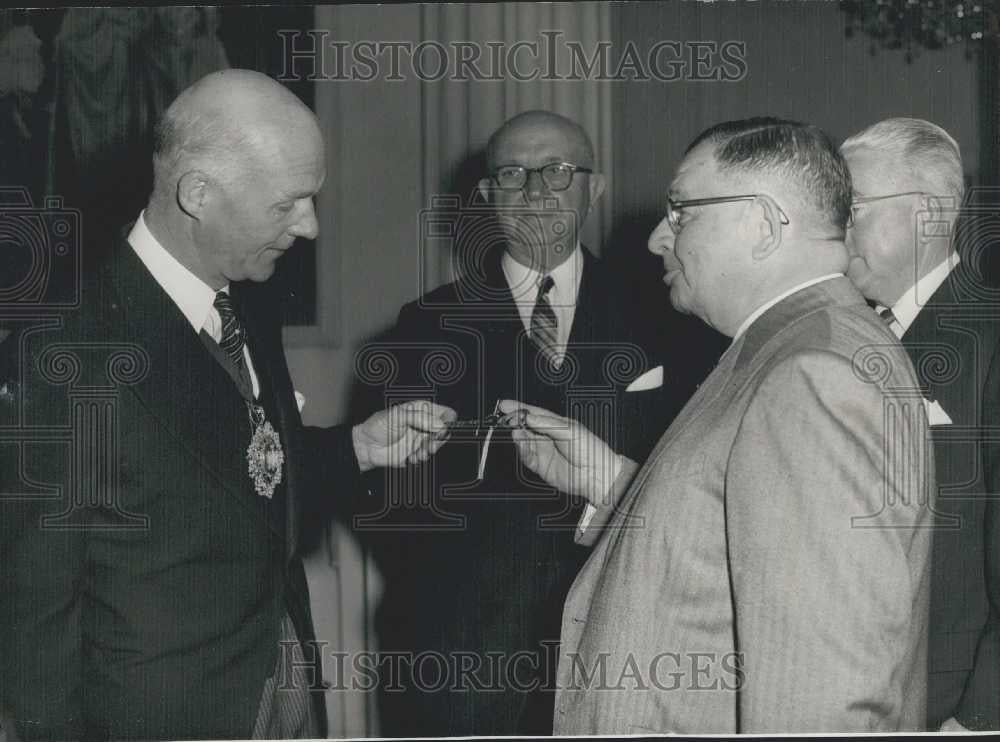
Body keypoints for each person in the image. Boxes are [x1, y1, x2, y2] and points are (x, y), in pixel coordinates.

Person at [0, 69, 454, 740]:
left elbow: (235, 477)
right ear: (197, 194)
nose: (310, 226)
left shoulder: (244, 300)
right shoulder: (64, 354)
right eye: (288, 204)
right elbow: (33, 617)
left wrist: (355, 447)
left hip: (284, 694)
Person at [501, 117, 934, 733]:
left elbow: (825, 694)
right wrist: (613, 484)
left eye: (681, 213)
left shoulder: (810, 373)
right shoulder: (790, 348)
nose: (657, 238)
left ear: (762, 224)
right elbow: (736, 548)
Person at [353, 110, 696, 735]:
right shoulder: (426, 324)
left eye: (557, 171)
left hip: (627, 638)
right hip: (473, 653)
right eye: (513, 174)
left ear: (594, 189)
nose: (536, 191)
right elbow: (397, 504)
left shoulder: (664, 315)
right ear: (487, 196)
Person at [841, 117, 1000, 732]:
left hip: (947, 706)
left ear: (932, 213)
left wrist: (979, 718)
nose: (838, 228)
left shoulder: (988, 335)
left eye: (854, 208)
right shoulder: (840, 336)